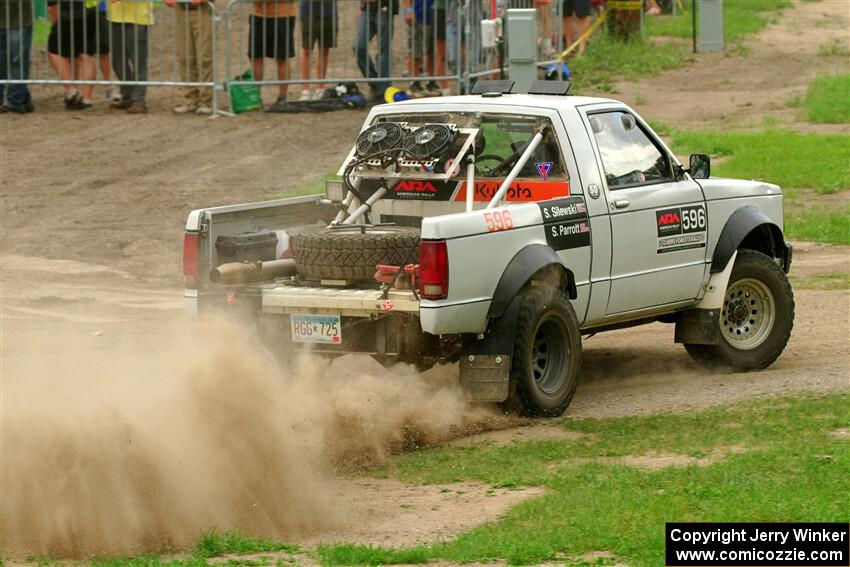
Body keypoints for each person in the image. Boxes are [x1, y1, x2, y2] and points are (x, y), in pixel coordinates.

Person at [47, 0, 98, 109]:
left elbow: (52, 8)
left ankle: (71, 90)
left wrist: (55, 26)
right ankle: (87, 99)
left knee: (54, 50)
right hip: (91, 12)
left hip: (68, 14)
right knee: (86, 55)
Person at [165, 0, 214, 115]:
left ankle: (206, 101)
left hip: (203, 9)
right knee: (184, 56)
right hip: (181, 9)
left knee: (204, 57)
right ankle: (191, 100)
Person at [247, 0, 296, 111]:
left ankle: (282, 97)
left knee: (282, 58)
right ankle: (256, 97)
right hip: (258, 15)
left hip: (284, 16)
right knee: (256, 57)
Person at [108, 0, 153, 113]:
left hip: (137, 18)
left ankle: (139, 101)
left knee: (138, 62)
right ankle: (128, 97)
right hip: (114, 17)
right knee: (117, 62)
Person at [354, 0, 398, 102]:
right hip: (367, 9)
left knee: (383, 51)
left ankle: (383, 92)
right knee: (358, 46)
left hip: (385, 8)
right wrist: (360, 6)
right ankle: (376, 84)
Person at [0, 0, 34, 113]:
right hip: (13, 20)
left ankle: (15, 101)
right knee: (8, 62)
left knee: (17, 62)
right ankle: (22, 98)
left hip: (19, 20)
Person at [299, 0, 337, 101]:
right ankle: (305, 90)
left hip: (329, 11)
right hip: (309, 11)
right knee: (306, 50)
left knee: (325, 50)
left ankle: (320, 88)